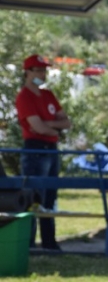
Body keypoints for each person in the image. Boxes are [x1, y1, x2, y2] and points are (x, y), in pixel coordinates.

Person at [15, 53, 71, 251]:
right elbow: (37, 127)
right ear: (28, 72)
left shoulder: (48, 95)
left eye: (44, 70)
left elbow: (67, 121)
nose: (42, 74)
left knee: (50, 199)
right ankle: (28, 243)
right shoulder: (24, 96)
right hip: (35, 149)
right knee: (33, 198)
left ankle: (49, 242)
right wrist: (55, 128)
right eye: (38, 70)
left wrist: (50, 126)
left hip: (51, 149)